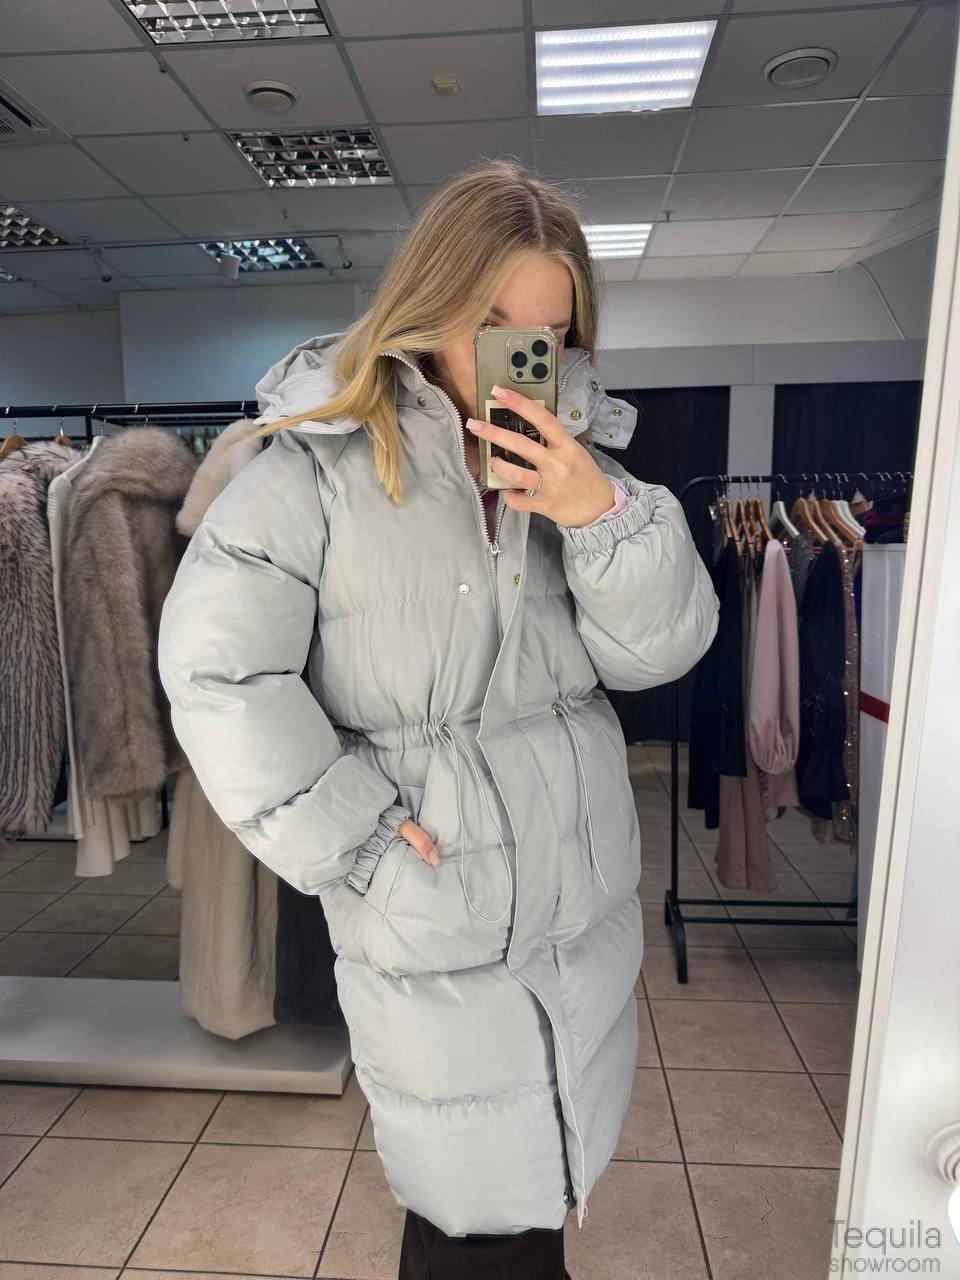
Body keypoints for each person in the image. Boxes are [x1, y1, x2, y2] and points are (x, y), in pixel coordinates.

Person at [157, 157, 719, 1278]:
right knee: (474, 1212)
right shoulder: (314, 464)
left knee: (535, 1193)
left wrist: (597, 514)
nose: (519, 354)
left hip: (575, 899)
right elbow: (216, 673)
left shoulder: (581, 465)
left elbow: (660, 651)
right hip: (431, 903)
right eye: (489, 322)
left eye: (547, 332)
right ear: (430, 300)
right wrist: (357, 842)